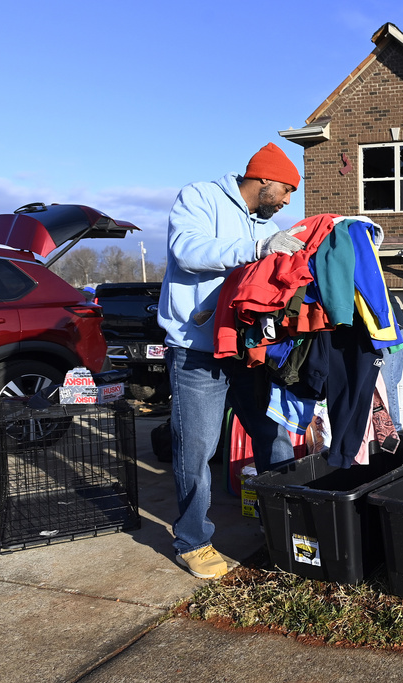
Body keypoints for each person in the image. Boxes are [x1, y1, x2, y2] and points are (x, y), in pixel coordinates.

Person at [158, 142, 306, 579]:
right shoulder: (199, 198)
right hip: (197, 350)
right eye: (285, 190)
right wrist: (258, 247)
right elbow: (188, 250)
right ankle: (193, 540)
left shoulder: (266, 223)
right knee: (197, 448)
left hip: (244, 351)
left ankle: (281, 520)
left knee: (272, 436)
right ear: (263, 180)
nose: (285, 201)